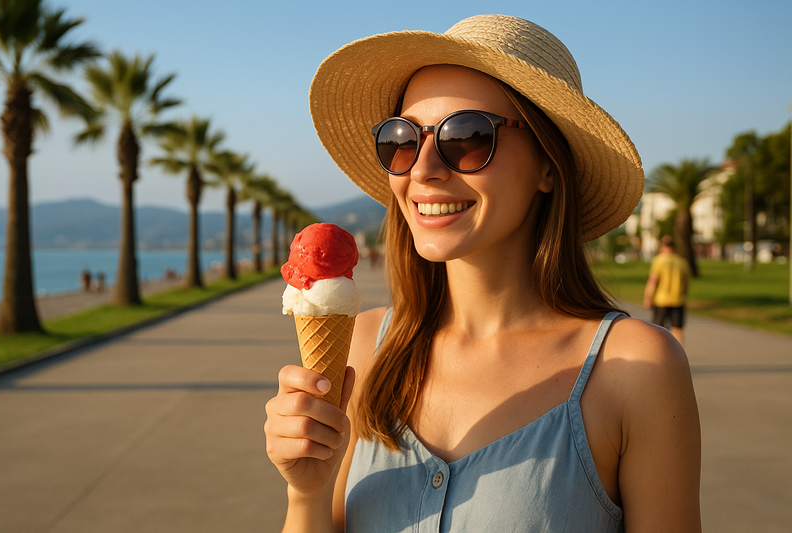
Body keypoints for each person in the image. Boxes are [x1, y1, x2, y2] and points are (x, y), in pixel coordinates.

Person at [265, 14, 701, 532]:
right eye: (402, 139)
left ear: (547, 165)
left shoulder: (635, 370)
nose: (424, 168)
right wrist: (306, 492)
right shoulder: (364, 347)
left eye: (467, 136)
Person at [643, 235, 691, 347]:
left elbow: (653, 281)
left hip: (661, 300)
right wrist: (683, 294)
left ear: (663, 246)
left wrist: (648, 298)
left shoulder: (659, 260)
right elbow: (686, 283)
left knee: (658, 330)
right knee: (678, 329)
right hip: (678, 300)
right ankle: (679, 359)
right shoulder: (682, 261)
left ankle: (658, 356)